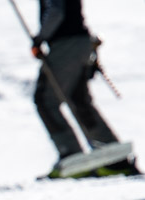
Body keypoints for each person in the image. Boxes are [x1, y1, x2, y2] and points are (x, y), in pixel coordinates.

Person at [32, 0, 139, 177]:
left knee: (45, 100)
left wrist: (40, 38)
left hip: (65, 43)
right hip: (80, 42)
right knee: (78, 100)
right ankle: (114, 159)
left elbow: (56, 10)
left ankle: (72, 156)